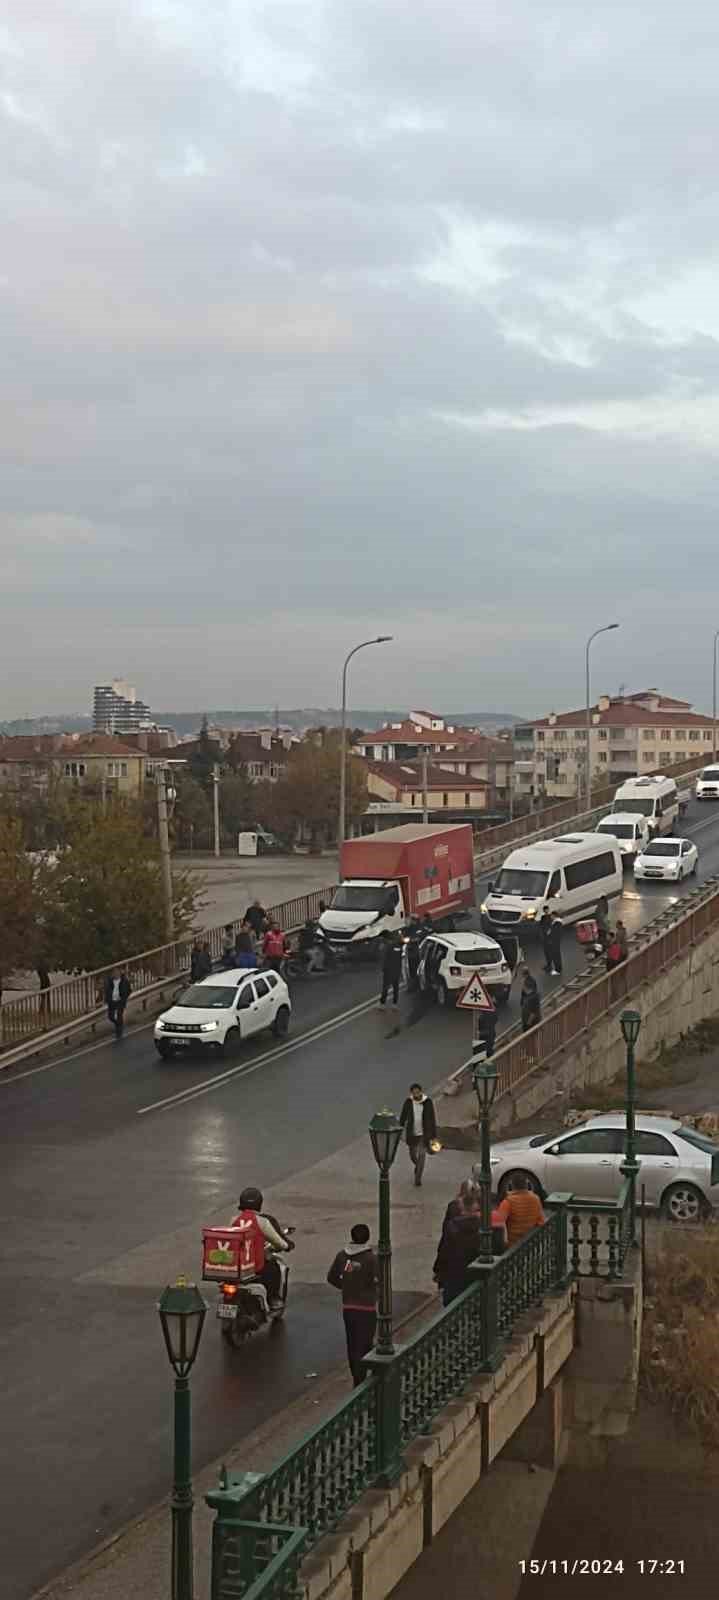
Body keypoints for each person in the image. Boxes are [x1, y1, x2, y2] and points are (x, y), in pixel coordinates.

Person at [433, 1192, 506, 1305]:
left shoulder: (452, 1227)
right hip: (476, 1275)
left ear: (461, 1207)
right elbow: (498, 1248)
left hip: (455, 1274)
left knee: (453, 1305)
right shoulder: (484, 1227)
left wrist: (438, 1270)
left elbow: (444, 1251)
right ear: (476, 1207)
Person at [327, 1223, 378, 1386]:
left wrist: (346, 1288)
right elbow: (379, 1281)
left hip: (349, 1308)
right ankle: (363, 1376)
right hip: (367, 1308)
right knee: (366, 1342)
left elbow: (331, 1277)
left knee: (352, 1343)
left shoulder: (342, 1256)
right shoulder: (371, 1258)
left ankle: (356, 1375)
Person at [230, 1186, 293, 1310]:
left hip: (236, 1266)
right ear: (259, 1204)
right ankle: (273, 1298)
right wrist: (286, 1246)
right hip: (254, 1267)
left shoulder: (234, 1220)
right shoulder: (262, 1222)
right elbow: (279, 1242)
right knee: (273, 1266)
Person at [399, 1082, 438, 1186]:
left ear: (421, 1091)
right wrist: (399, 1127)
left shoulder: (427, 1102)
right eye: (414, 1093)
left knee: (421, 1155)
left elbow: (432, 1119)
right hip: (412, 1134)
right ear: (412, 1093)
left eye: (418, 1092)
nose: (416, 1094)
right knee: (412, 1155)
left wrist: (433, 1135)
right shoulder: (408, 1102)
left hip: (424, 1135)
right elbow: (403, 1116)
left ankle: (418, 1179)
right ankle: (418, 1166)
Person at [496, 1173, 545, 1247]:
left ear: (512, 1186)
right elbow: (541, 1221)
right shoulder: (535, 1199)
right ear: (526, 1185)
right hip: (530, 1242)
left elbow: (499, 1224)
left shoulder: (508, 1201)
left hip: (513, 1244)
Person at [379, 931, 403, 1008]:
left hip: (388, 970)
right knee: (396, 987)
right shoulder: (398, 946)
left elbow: (385, 959)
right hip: (397, 969)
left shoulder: (387, 947)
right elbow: (400, 956)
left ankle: (382, 1004)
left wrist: (383, 969)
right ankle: (395, 1004)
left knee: (385, 987)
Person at [104, 968, 131, 1037]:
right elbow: (107, 991)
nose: (115, 974)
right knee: (110, 1017)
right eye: (114, 973)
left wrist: (124, 997)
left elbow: (129, 990)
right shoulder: (109, 981)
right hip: (112, 1001)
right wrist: (107, 999)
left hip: (120, 1001)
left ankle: (119, 1031)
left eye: (117, 973)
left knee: (119, 1015)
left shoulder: (124, 981)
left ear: (119, 973)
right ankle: (118, 1024)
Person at [520, 967, 541, 1031]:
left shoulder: (533, 998)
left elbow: (534, 1012)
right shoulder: (527, 995)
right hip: (526, 1020)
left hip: (531, 1023)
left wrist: (528, 1024)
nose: (523, 988)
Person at [546, 912, 563, 977]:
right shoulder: (556, 922)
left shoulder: (557, 923)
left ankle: (558, 970)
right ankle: (557, 969)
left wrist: (549, 934)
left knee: (556, 955)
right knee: (556, 955)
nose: (551, 917)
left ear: (554, 916)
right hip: (555, 941)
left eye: (551, 916)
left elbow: (555, 933)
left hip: (554, 941)